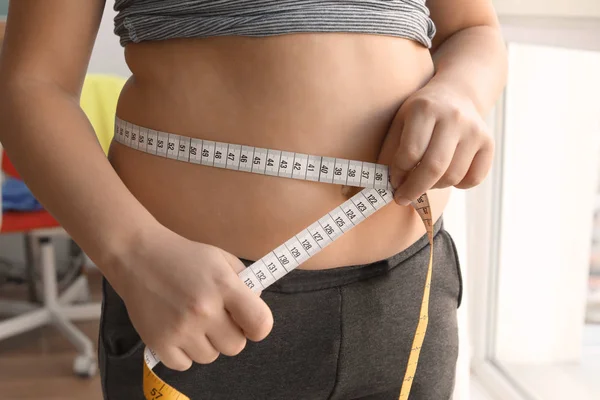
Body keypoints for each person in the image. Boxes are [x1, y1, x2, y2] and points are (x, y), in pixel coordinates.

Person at [0, 1, 507, 399]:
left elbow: (472, 29)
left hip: (410, 288)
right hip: (198, 304)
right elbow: (31, 85)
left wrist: (460, 89)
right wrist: (133, 253)